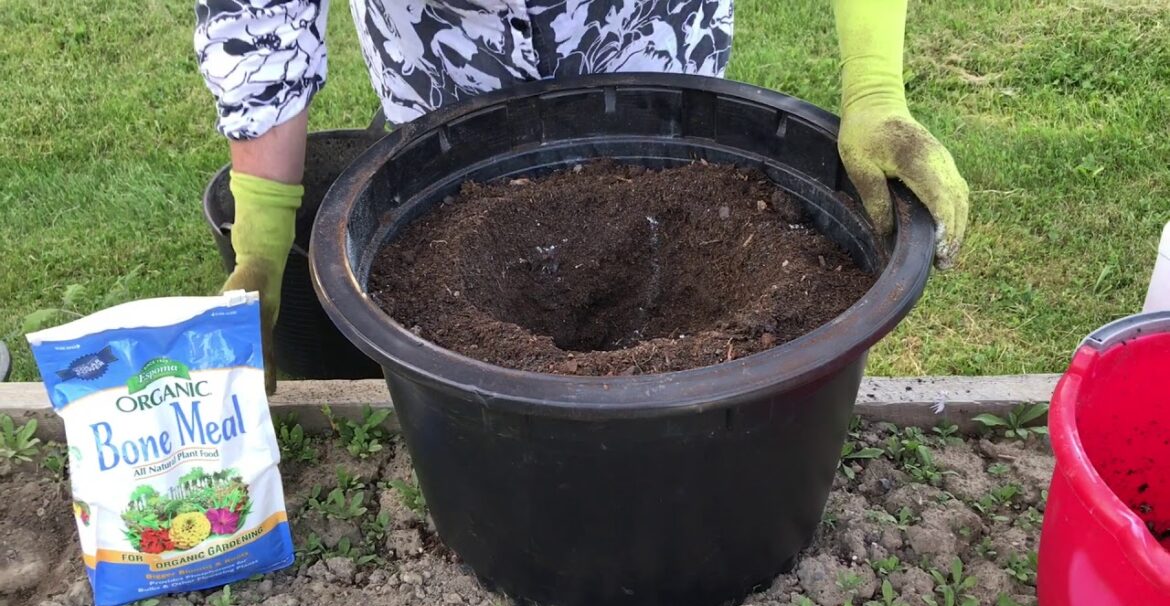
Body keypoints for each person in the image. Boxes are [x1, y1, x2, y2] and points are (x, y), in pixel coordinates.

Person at [195, 0, 969, 392]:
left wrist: (874, 88)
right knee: (447, 263)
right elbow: (259, 15)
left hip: (650, 52)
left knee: (682, 226)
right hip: (445, 76)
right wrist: (261, 238)